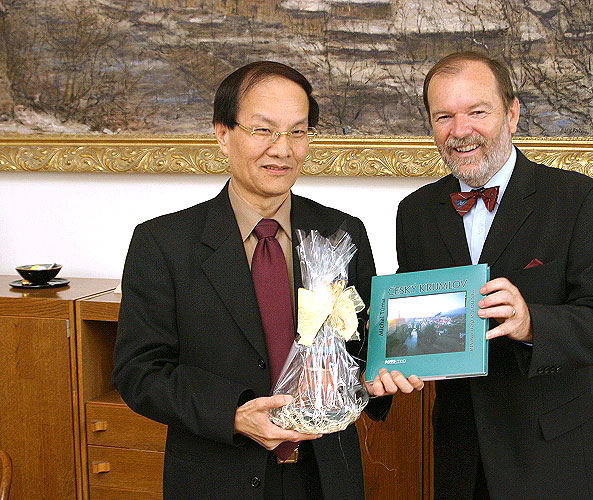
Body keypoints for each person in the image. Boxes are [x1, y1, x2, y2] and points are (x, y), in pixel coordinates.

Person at [112, 61, 420, 500]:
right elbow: (139, 372)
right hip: (219, 476)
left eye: (298, 131)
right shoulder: (163, 243)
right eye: (264, 131)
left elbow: (362, 347)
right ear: (223, 134)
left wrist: (382, 372)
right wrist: (234, 414)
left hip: (327, 478)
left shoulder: (341, 232)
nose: (283, 149)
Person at [394, 52, 593, 499]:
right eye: (443, 116)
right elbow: (414, 323)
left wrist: (531, 324)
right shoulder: (415, 212)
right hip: (457, 458)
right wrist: (390, 358)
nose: (459, 130)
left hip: (551, 458)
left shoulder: (579, 199)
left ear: (512, 113)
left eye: (477, 111)